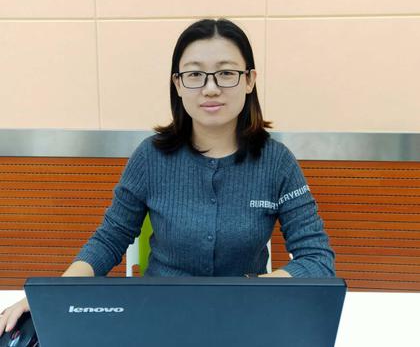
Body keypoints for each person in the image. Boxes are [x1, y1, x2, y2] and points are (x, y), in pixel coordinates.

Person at [0, 18, 335, 335]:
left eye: (226, 73)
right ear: (178, 83)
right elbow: (109, 239)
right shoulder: (150, 157)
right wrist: (50, 297)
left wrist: (251, 290)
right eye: (195, 74)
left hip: (245, 317)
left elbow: (317, 259)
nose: (211, 88)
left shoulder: (278, 162)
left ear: (249, 80)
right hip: (157, 317)